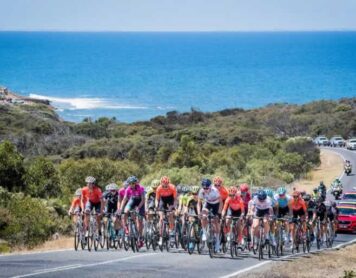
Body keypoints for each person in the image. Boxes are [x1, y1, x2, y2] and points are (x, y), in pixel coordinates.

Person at [120, 176, 145, 248]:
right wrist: (121, 209)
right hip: (133, 201)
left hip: (140, 202)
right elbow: (124, 199)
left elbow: (143, 200)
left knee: (139, 221)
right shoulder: (128, 189)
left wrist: (138, 208)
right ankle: (127, 228)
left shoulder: (140, 188)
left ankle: (140, 237)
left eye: (133, 183)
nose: (132, 185)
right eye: (130, 183)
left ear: (136, 183)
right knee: (125, 211)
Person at [197, 178, 222, 252]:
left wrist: (219, 213)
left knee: (216, 222)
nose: (205, 189)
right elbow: (199, 203)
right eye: (204, 188)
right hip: (208, 204)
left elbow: (221, 203)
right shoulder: (201, 191)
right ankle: (204, 233)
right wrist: (199, 213)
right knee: (203, 216)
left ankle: (217, 241)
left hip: (216, 205)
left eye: (207, 188)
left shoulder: (215, 191)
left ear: (210, 187)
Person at [155, 176, 177, 245]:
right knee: (161, 217)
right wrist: (157, 207)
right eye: (163, 185)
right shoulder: (159, 188)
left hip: (171, 199)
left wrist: (173, 206)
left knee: (170, 214)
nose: (165, 187)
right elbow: (157, 199)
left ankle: (171, 231)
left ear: (168, 183)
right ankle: (161, 236)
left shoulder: (172, 187)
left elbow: (175, 199)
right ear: (161, 184)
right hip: (162, 199)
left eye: (166, 185)